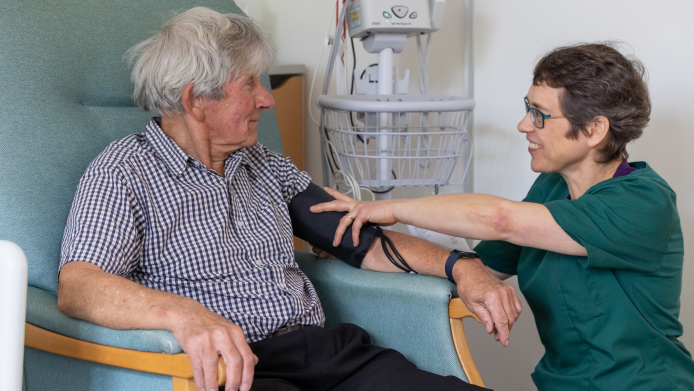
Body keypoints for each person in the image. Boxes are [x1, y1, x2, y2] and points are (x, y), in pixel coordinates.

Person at [57, 7, 518, 391]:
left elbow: (363, 242)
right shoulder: (124, 171)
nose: (267, 100)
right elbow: (78, 285)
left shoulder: (265, 166)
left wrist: (464, 267)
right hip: (237, 371)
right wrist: (186, 315)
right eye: (250, 85)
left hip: (327, 356)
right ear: (197, 101)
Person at [312, 42, 694, 391]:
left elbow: (499, 219)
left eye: (540, 115)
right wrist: (357, 242)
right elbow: (475, 266)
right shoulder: (551, 188)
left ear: (594, 129)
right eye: (527, 108)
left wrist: (390, 207)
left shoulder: (642, 202)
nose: (524, 125)